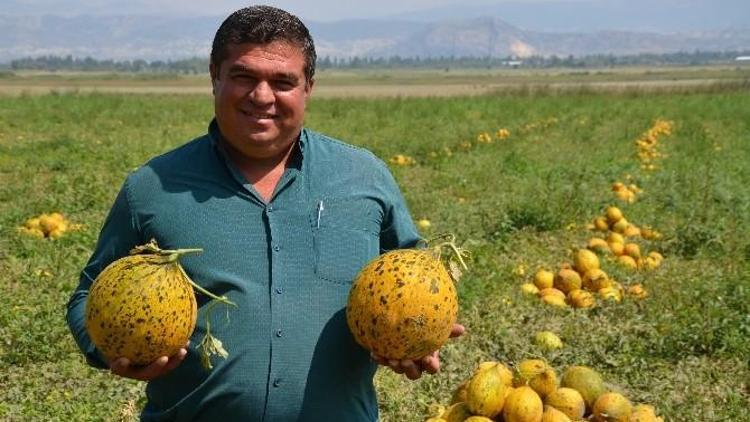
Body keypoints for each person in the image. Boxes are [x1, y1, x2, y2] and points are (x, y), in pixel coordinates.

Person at [66, 5, 463, 421]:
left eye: (282, 81)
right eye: (243, 76)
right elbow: (86, 297)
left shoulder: (364, 177)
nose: (261, 96)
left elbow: (422, 276)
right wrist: (109, 349)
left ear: (308, 86)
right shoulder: (152, 187)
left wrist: (422, 338)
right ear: (214, 76)